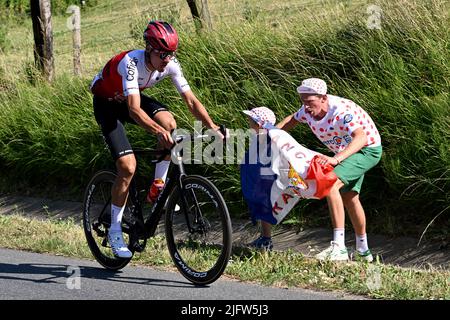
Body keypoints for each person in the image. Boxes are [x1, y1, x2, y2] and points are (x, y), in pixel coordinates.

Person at [89, 20, 223, 258]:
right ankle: (116, 230)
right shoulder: (130, 63)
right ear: (149, 48)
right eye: (163, 54)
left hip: (131, 98)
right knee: (127, 167)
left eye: (171, 54)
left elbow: (191, 101)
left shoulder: (170, 64)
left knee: (170, 123)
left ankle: (158, 185)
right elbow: (133, 110)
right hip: (108, 104)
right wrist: (158, 133)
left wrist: (211, 126)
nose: (167, 59)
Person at [277, 78, 382, 261]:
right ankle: (363, 251)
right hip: (348, 152)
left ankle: (339, 247)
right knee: (350, 197)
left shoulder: (340, 111)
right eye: (303, 102)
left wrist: (336, 159)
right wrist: (271, 134)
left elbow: (361, 138)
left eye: (310, 102)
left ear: (323, 98)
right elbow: (291, 121)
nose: (306, 107)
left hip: (367, 150)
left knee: (331, 184)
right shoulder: (307, 110)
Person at [241, 107, 277, 251]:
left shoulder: (269, 139)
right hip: (258, 180)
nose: (249, 122)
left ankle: (267, 239)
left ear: (259, 123)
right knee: (262, 207)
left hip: (265, 180)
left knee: (265, 207)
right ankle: (264, 237)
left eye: (251, 120)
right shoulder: (258, 137)